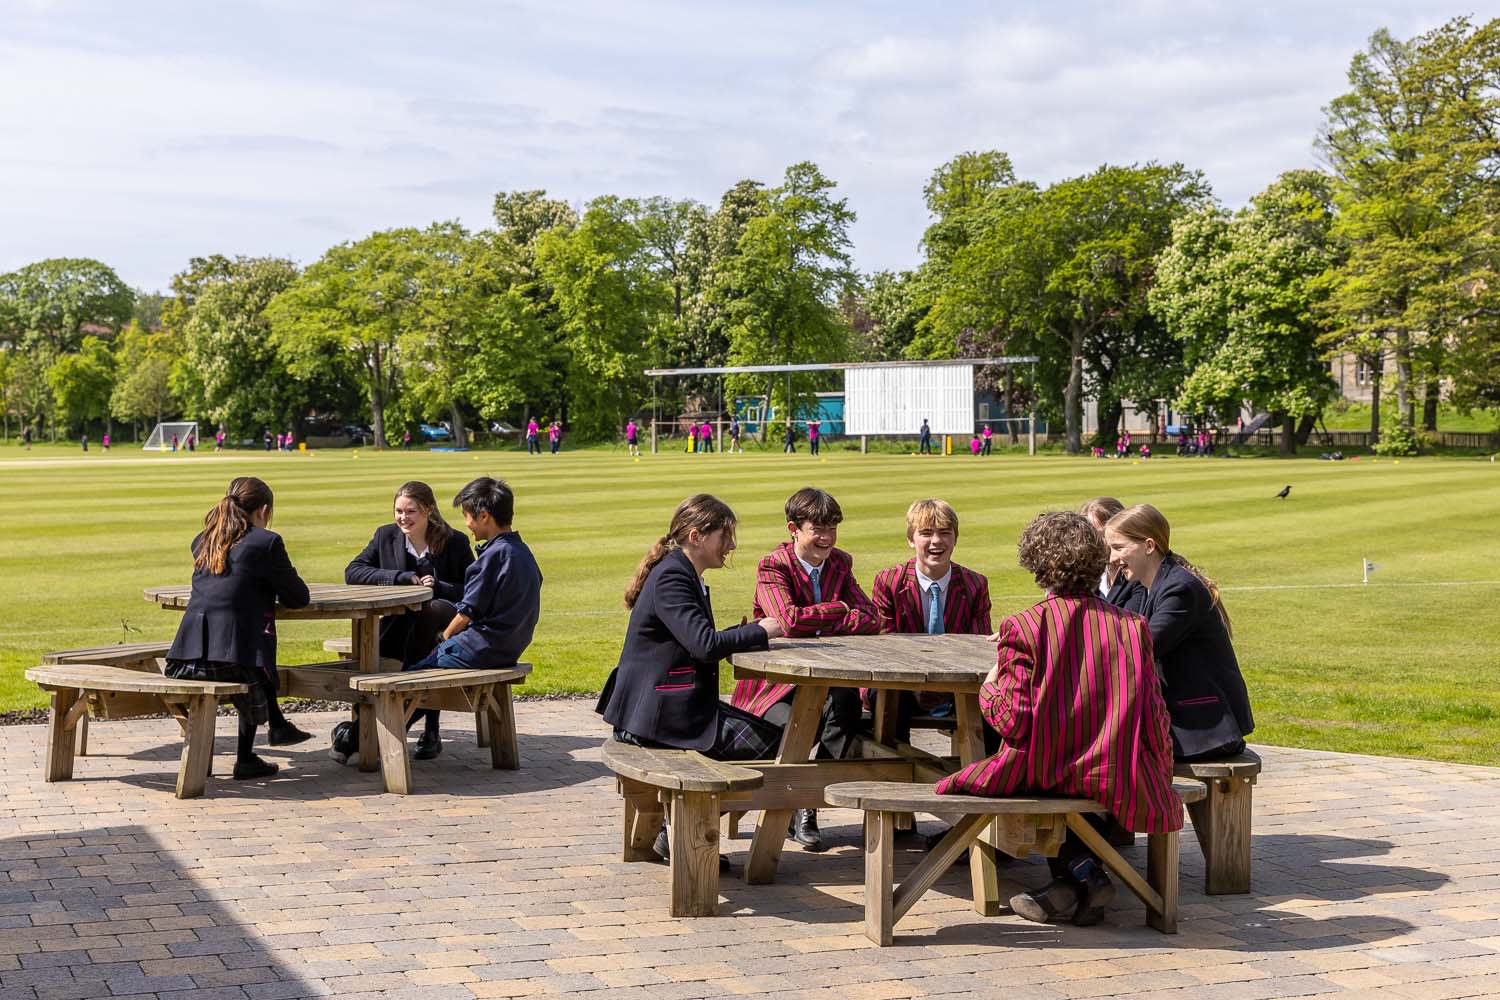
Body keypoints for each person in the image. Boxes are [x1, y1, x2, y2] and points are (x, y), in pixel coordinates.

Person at [937, 511, 1181, 926]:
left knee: (958, 777)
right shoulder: (1133, 626)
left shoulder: (1024, 626)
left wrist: (988, 691)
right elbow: (1154, 712)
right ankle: (1081, 881)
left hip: (1045, 768)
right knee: (1069, 778)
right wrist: (1160, 769)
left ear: (1036, 564)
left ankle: (1081, 878)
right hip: (1115, 768)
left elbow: (1013, 723)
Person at [597, 495, 787, 864]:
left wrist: (743, 633)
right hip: (659, 716)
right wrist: (761, 631)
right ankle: (685, 829)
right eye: (725, 536)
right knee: (778, 750)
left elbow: (694, 639)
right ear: (696, 536)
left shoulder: (681, 572)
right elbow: (704, 645)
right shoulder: (673, 576)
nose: (731, 545)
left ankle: (681, 828)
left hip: (666, 706)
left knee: (778, 746)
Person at [730, 487, 879, 851]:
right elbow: (789, 621)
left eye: (832, 528)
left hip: (827, 679)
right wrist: (840, 609)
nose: (826, 537)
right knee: (792, 732)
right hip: (776, 686)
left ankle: (807, 805)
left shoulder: (840, 562)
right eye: (818, 529)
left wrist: (825, 618)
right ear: (793, 529)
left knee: (846, 707)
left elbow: (872, 617)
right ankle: (793, 806)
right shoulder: (773, 566)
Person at [163, 477, 313, 780]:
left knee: (249, 652)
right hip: (232, 661)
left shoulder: (203, 539)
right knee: (252, 656)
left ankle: (274, 730)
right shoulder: (266, 542)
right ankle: (255, 747)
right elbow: (298, 597)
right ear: (264, 510)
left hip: (184, 659)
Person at [1105, 504, 1254, 761]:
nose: (1111, 559)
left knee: (1108, 756)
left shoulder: (1180, 589)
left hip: (1204, 729)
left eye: (1119, 548)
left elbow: (1141, 648)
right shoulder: (1152, 584)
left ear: (1149, 546)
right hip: (1187, 722)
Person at [405, 477, 542, 756]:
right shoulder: (522, 551)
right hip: (509, 647)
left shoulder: (493, 556)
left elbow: (467, 612)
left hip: (482, 647)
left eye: (467, 516)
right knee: (418, 676)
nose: (467, 524)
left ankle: (365, 739)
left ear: (484, 516)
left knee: (407, 683)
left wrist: (444, 637)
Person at [340, 481, 476, 762]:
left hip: (445, 624)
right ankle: (390, 719)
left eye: (410, 511)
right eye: (398, 511)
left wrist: (439, 586)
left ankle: (423, 727)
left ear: (428, 511)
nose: (403, 518)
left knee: (429, 616)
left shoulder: (455, 541)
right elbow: (353, 571)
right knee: (402, 635)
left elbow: (472, 590)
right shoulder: (385, 536)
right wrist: (398, 578)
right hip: (399, 623)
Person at [870, 499, 992, 739]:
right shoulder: (889, 582)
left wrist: (948, 687)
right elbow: (884, 648)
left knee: (993, 702)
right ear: (911, 539)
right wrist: (916, 686)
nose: (936, 540)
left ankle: (985, 763)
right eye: (926, 533)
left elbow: (980, 649)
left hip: (958, 684)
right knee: (887, 700)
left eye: (944, 533)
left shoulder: (975, 584)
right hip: (901, 682)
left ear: (955, 538)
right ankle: (897, 761)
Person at [1079, 497, 1145, 614]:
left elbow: (1131, 620)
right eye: (1085, 535)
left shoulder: (1136, 575)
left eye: (1098, 535)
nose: (1088, 543)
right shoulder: (1086, 574)